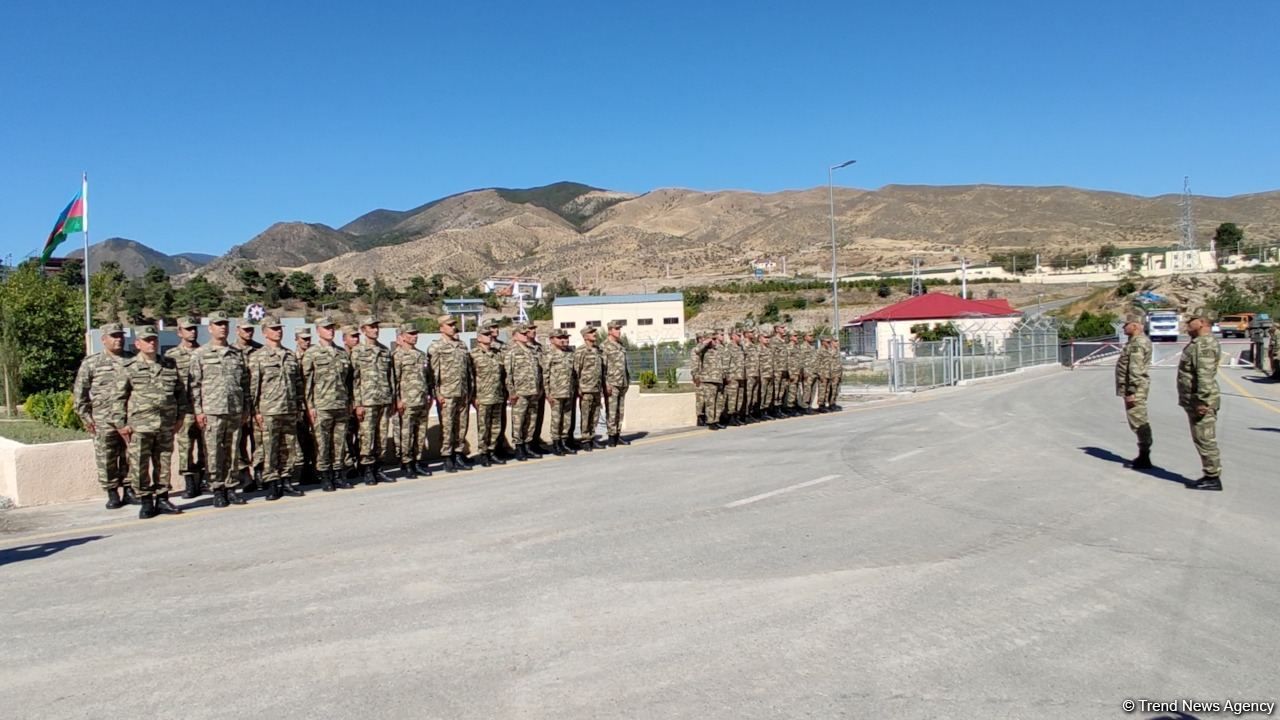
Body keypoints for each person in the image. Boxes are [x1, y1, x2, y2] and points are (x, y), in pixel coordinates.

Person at [115, 325, 185, 518]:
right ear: (138, 344)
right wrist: (121, 424)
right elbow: (119, 397)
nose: (151, 343)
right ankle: (146, 501)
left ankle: (162, 498)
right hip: (140, 425)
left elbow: (180, 394)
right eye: (147, 340)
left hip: (165, 424)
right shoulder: (129, 368)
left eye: (154, 339)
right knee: (139, 465)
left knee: (163, 463)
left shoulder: (169, 364)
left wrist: (179, 418)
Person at [189, 311, 250, 507]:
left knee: (233, 451)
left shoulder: (236, 353)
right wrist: (199, 411)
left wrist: (245, 409)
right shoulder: (200, 354)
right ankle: (217, 489)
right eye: (218, 324)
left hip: (234, 410)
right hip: (212, 411)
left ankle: (231, 487)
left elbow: (244, 384)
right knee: (214, 452)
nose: (222, 327)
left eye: (225, 324)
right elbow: (194, 385)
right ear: (210, 328)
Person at [73, 322, 134, 509]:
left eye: (120, 336)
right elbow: (80, 393)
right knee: (106, 456)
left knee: (130, 455)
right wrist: (86, 418)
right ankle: (112, 492)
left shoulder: (132, 360)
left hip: (128, 418)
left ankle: (130, 489)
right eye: (114, 336)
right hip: (103, 419)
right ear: (103, 339)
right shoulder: (92, 363)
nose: (118, 339)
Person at [248, 316, 305, 500]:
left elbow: (297, 384)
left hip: (289, 408)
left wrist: (298, 406)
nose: (278, 331)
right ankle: (272, 482)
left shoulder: (290, 355)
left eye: (279, 328)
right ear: (264, 332)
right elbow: (253, 387)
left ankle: (287, 479)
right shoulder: (257, 357)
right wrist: (255, 411)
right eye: (273, 329)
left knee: (289, 447)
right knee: (270, 447)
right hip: (269, 409)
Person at [302, 316, 354, 492]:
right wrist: (310, 406)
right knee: (322, 442)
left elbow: (348, 382)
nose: (330, 331)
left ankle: (339, 473)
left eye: (332, 328)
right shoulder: (312, 353)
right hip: (322, 404)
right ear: (318, 331)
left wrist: (350, 402)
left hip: (340, 403)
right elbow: (307, 382)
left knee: (339, 442)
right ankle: (325, 475)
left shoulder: (341, 353)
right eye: (326, 328)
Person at [1178, 311, 1223, 490]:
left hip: (1201, 401)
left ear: (1202, 322)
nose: (1188, 324)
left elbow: (1204, 375)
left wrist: (1202, 401)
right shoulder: (1199, 343)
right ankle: (1210, 474)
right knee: (1201, 438)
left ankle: (1212, 477)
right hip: (1196, 400)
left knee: (1205, 439)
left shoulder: (1204, 344)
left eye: (1191, 321)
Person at [351, 316, 396, 485]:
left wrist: (391, 399)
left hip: (383, 400)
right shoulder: (357, 351)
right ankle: (367, 469)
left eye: (376, 327)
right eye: (371, 327)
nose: (375, 330)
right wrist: (358, 403)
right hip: (367, 401)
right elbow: (354, 379)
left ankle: (379, 468)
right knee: (367, 436)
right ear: (363, 330)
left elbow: (390, 377)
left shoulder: (384, 351)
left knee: (382, 436)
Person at [166, 316, 206, 498]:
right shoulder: (171, 356)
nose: (192, 332)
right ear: (179, 332)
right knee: (186, 447)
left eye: (194, 328)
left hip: (205, 408)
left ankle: (204, 478)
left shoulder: (205, 352)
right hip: (185, 410)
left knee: (207, 446)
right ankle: (190, 482)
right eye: (188, 329)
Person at [429, 314, 473, 472]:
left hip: (463, 392)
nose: (453, 327)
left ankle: (459, 453)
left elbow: (468, 371)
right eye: (449, 325)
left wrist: (470, 390)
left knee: (462, 425)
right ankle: (447, 456)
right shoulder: (436, 347)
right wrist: (437, 394)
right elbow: (433, 373)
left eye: (454, 324)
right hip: (446, 392)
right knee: (447, 427)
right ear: (441, 328)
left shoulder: (461, 345)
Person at [391, 324, 432, 478]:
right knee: (406, 434)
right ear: (402, 336)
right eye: (411, 333)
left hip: (421, 400)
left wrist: (429, 395)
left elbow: (427, 379)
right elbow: (394, 380)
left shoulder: (421, 355)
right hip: (406, 402)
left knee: (420, 433)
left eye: (416, 333)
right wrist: (398, 400)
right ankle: (406, 462)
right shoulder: (397, 356)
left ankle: (416, 461)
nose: (415, 336)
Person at [1115, 314, 1153, 469]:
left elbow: (1135, 369)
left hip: (1135, 389)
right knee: (1136, 421)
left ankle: (1145, 456)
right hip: (1133, 388)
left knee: (1139, 422)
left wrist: (1131, 391)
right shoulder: (1133, 342)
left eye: (1126, 324)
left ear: (1135, 326)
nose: (1124, 327)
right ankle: (1143, 454)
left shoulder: (1138, 343)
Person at [470, 321, 507, 466]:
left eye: (490, 335)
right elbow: (470, 377)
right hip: (483, 396)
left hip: (497, 395)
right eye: (486, 335)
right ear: (479, 337)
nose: (489, 337)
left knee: (496, 426)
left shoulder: (497, 354)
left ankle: (492, 451)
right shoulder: (473, 355)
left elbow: (504, 375)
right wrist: (473, 396)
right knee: (483, 427)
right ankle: (483, 453)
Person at [505, 324, 544, 461]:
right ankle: (519, 447)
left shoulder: (532, 350)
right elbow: (508, 374)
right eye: (522, 334)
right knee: (518, 420)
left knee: (531, 420)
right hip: (520, 392)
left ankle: (528, 445)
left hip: (533, 391)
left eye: (526, 333)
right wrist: (512, 391)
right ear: (515, 336)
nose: (526, 335)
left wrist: (539, 389)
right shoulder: (512, 352)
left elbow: (538, 371)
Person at [234, 321, 264, 490]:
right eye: (245, 329)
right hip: (238, 403)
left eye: (251, 329)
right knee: (238, 441)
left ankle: (260, 471)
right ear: (238, 330)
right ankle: (244, 474)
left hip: (257, 402)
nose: (249, 332)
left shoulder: (260, 350)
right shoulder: (231, 351)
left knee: (258, 439)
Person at [542, 327, 577, 454]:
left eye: (565, 338)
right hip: (556, 392)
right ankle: (556, 443)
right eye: (560, 338)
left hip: (569, 391)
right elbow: (545, 375)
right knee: (557, 419)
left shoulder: (570, 353)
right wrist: (547, 393)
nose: (564, 340)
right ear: (552, 340)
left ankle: (564, 441)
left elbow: (574, 373)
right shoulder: (548, 354)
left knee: (567, 419)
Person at [573, 326, 606, 450]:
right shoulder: (581, 351)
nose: (594, 334)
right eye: (591, 332)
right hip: (586, 388)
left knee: (595, 414)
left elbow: (601, 370)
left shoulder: (598, 350)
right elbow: (576, 371)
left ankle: (592, 438)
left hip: (597, 388)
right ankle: (585, 439)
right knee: (586, 415)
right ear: (585, 336)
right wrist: (578, 388)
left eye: (594, 332)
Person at [292, 326, 317, 484]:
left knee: (313, 439)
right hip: (299, 405)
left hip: (314, 403)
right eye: (303, 339)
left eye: (308, 339)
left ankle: (313, 470)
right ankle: (301, 471)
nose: (306, 342)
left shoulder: (314, 355)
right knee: (300, 440)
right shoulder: (292, 357)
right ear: (296, 340)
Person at [601, 319, 630, 446]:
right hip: (612, 382)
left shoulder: (621, 345)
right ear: (610, 331)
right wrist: (606, 384)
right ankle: (611, 436)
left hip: (622, 382)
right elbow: (603, 368)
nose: (619, 331)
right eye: (616, 329)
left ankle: (618, 435)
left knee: (620, 411)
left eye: (619, 329)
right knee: (611, 411)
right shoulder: (604, 346)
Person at [725, 327, 747, 426]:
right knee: (732, 398)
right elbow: (726, 362)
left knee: (739, 398)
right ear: (733, 336)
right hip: (733, 376)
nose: (741, 337)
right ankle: (730, 417)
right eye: (738, 335)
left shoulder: (740, 347)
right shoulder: (729, 347)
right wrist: (727, 375)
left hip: (741, 376)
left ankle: (736, 415)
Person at [757, 329, 776, 420]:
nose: (767, 339)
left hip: (770, 374)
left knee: (769, 393)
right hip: (763, 375)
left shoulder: (770, 349)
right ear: (760, 338)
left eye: (768, 338)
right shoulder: (757, 349)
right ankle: (760, 411)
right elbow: (756, 363)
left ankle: (766, 410)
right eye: (765, 337)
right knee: (762, 393)